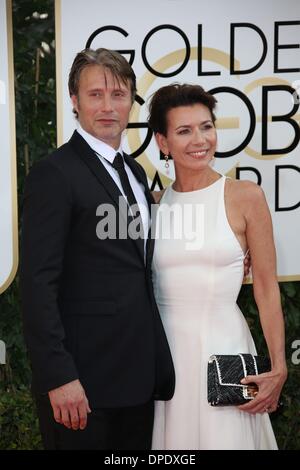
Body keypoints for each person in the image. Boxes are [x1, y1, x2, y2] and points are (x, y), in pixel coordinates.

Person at [20, 48, 175, 450]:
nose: (108, 107)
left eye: (119, 95)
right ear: (74, 100)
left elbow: (135, 263)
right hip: (82, 384)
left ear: (131, 102)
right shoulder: (54, 174)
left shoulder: (137, 172)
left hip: (137, 378)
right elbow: (38, 284)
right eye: (95, 95)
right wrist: (58, 376)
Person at [148, 83, 287, 450]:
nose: (200, 139)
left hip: (224, 350)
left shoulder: (245, 197)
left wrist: (278, 366)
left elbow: (266, 287)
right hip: (166, 358)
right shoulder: (153, 206)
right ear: (163, 142)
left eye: (206, 126)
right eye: (184, 130)